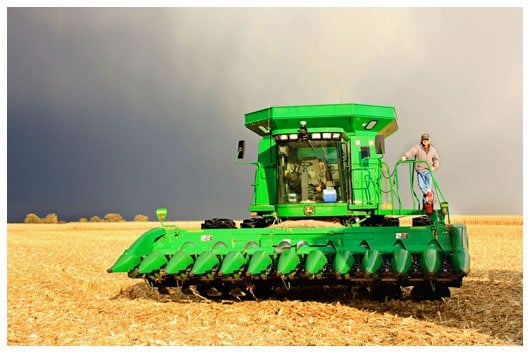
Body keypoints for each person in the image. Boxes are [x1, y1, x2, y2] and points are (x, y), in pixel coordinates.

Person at [401, 133, 440, 209]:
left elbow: (436, 159)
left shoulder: (432, 149)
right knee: (422, 185)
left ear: (429, 140)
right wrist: (405, 156)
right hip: (420, 170)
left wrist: (434, 167)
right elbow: (411, 152)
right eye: (423, 140)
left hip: (429, 170)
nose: (425, 141)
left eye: (426, 140)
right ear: (421, 140)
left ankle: (427, 204)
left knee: (428, 186)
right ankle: (429, 197)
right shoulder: (418, 148)